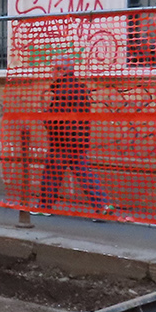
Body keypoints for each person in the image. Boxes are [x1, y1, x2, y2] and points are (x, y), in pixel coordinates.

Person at [39, 60, 112, 216]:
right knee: (85, 174)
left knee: (51, 175)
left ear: (62, 70)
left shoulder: (63, 91)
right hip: (78, 140)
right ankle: (102, 206)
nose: (52, 73)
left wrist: (46, 120)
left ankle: (44, 207)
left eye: (54, 69)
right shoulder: (79, 88)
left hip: (62, 141)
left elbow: (57, 118)